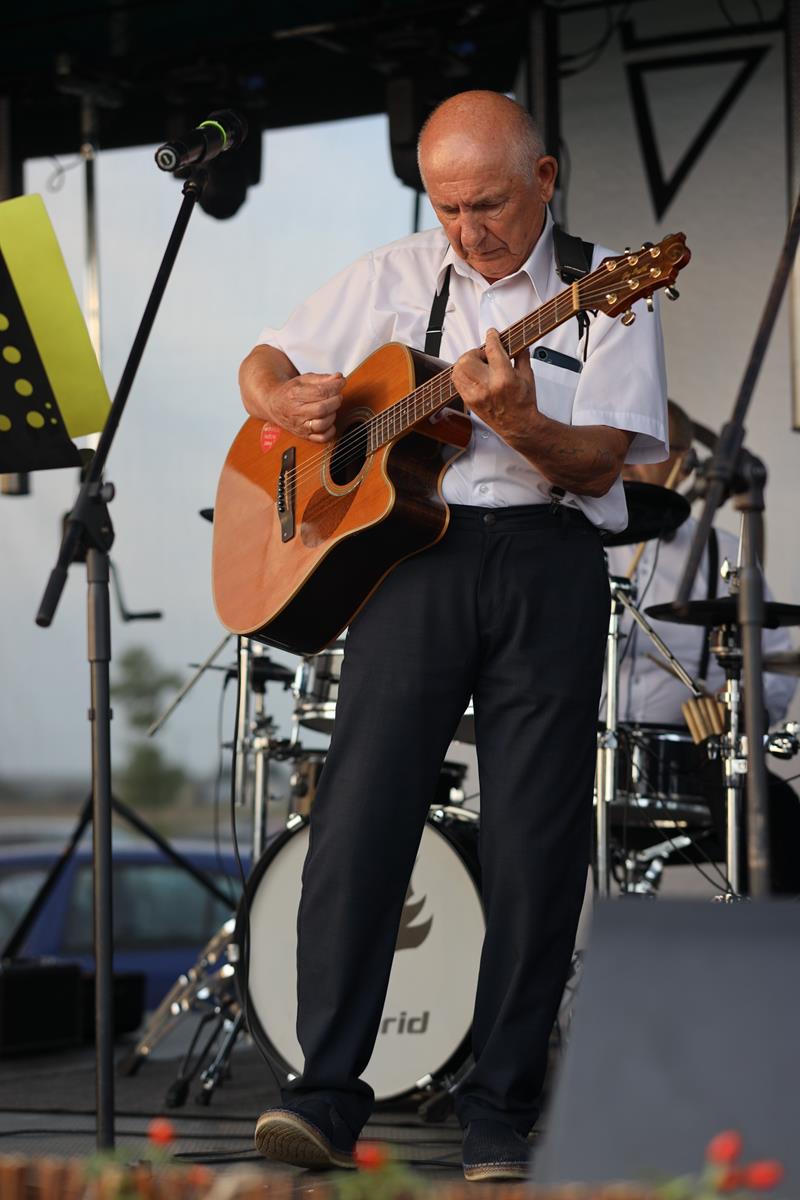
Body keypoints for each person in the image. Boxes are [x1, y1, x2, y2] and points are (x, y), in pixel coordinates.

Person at [239, 90, 668, 1181]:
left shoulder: (609, 290)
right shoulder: (389, 274)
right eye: (447, 206)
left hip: (546, 558)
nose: (467, 230)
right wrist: (284, 405)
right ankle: (323, 1098)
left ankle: (498, 1111)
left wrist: (517, 419)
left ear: (544, 178)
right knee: (357, 823)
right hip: (410, 563)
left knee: (534, 843)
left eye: (487, 203)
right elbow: (263, 362)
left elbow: (601, 466)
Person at [605, 400, 799, 892]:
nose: (626, 462)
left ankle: (771, 932)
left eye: (643, 449)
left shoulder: (723, 553)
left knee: (774, 813)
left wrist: (737, 708)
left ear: (685, 462)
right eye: (618, 447)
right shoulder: (579, 539)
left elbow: (772, 666)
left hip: (690, 758)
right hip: (585, 751)